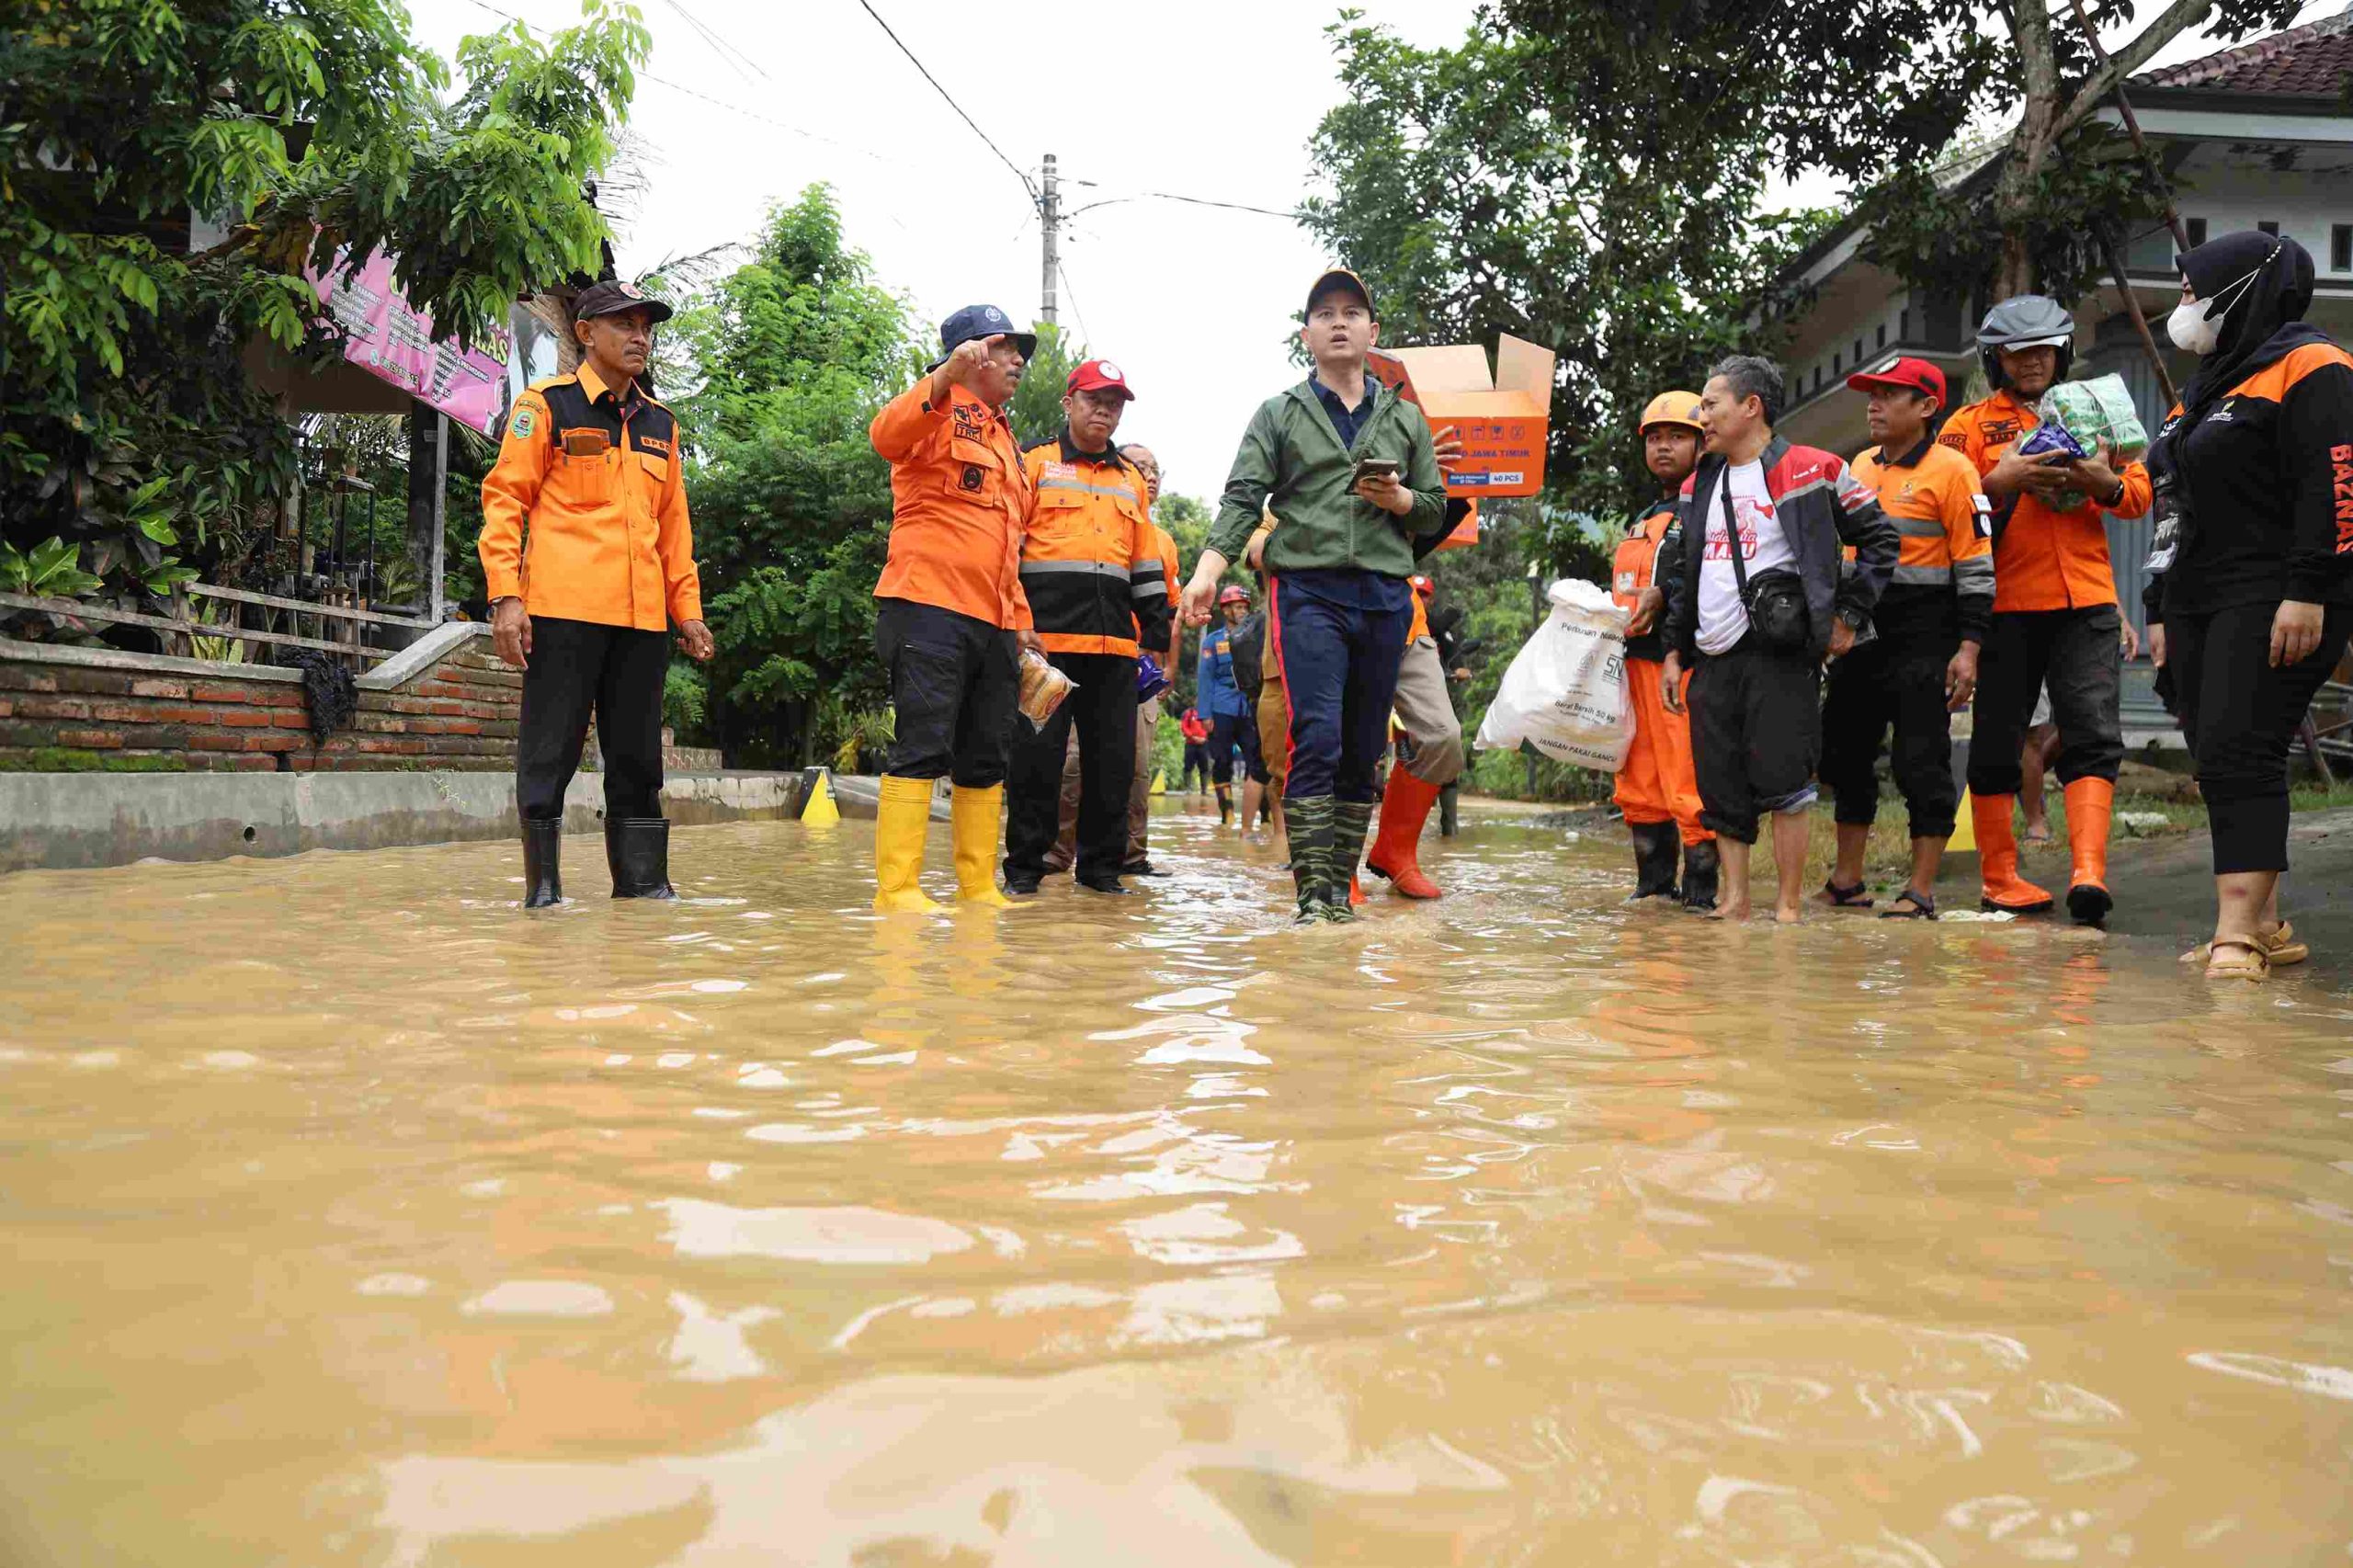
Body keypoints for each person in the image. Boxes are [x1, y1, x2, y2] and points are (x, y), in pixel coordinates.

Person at [1184, 267, 1450, 922]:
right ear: (1307, 334)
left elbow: (1436, 510)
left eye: (1352, 313)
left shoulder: (1406, 419)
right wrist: (1207, 570)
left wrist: (1402, 498)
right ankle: (1313, 899)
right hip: (1309, 592)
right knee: (1318, 736)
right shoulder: (1280, 413)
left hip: (1386, 596)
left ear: (1373, 332)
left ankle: (1343, 892)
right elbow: (1243, 498)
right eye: (1325, 313)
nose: (1339, 322)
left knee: (1364, 746)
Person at [2143, 229, 2353, 979]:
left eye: (2195, 291)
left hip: (2274, 592)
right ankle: (2267, 924)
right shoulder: (2203, 391)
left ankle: (2235, 933)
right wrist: (2158, 605)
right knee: (2216, 754)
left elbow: (2336, 484)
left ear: (2243, 289)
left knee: (2242, 748)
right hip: (2196, 593)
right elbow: (2172, 505)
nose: (2185, 306)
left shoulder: (2314, 366)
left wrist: (2310, 588)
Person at [480, 278, 714, 908]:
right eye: (625, 324)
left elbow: (675, 529)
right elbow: (505, 500)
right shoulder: (547, 405)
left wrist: (686, 611)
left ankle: (642, 887)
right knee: (548, 755)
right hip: (563, 612)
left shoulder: (661, 424)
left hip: (642, 622)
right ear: (585, 333)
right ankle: (545, 892)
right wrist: (506, 595)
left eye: (647, 326)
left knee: (638, 762)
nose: (641, 336)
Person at [1659, 355, 1898, 923]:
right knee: (1720, 782)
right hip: (1711, 652)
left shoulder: (1815, 469)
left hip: (1781, 652)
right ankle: (1736, 900)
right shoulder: (1698, 485)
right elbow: (1680, 573)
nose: (1702, 416)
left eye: (1711, 404)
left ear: (1751, 407)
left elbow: (1882, 538)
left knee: (1786, 777)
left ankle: (1788, 907)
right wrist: (1673, 649)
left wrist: (1847, 617)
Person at [1941, 295, 2153, 923]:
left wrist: (2102, 482)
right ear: (1996, 357)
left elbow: (2139, 493)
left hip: (2087, 600)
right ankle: (1999, 876)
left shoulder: (2098, 408)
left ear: (2061, 352)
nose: (2031, 362)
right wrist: (1996, 484)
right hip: (2004, 604)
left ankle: (2088, 875)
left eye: (2042, 350)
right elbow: (1945, 506)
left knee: (2093, 735)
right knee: (1998, 741)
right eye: (2017, 352)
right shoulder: (1969, 426)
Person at [865, 304, 1041, 912]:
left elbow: (1008, 544)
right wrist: (942, 379)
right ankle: (899, 890)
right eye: (1008, 347)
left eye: (1023, 350)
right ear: (972, 354)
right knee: (922, 745)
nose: (1019, 360)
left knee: (988, 752)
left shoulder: (1007, 443)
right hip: (926, 606)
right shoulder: (932, 409)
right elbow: (885, 435)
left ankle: (976, 885)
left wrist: (1022, 629)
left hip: (992, 620)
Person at [1818, 357, 1995, 919]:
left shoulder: (1954, 470)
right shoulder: (1858, 466)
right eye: (1872, 394)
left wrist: (1969, 648)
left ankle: (1920, 889)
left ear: (1925, 407)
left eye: (1890, 395)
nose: (1874, 404)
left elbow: (1975, 568)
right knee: (1846, 753)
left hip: (1926, 632)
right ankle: (1846, 882)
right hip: (1862, 631)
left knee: (1921, 759)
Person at [1000, 359, 1167, 897]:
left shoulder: (1130, 480)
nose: (1105, 409)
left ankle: (1100, 873)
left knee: (1112, 766)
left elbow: (1144, 563)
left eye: (1115, 402)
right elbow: (1008, 549)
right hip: (1045, 648)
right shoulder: (1034, 464)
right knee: (1036, 762)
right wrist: (1017, 624)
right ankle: (1024, 871)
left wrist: (1158, 639)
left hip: (1115, 646)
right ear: (1069, 403)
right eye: (1095, 398)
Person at [1611, 390, 1717, 909]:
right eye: (1655, 438)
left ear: (1702, 443)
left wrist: (1668, 594)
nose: (1663, 447)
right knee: (1640, 784)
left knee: (1688, 782)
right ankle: (1653, 890)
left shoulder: (1712, 506)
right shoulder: (1649, 513)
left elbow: (1706, 578)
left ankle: (1702, 896)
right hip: (1634, 668)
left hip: (1683, 667)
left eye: (1677, 436)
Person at [1363, 572, 1466, 898]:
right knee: (1347, 746)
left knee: (1444, 739)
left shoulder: (1443, 632)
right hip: (1342, 610)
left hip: (1407, 625)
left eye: (1427, 595)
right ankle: (1336, 870)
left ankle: (1396, 852)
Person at [1197, 585, 1265, 828]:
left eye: (1245, 607)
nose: (1242, 611)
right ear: (1225, 610)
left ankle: (1263, 815)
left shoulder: (1258, 636)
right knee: (1222, 760)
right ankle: (1227, 814)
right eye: (1236, 606)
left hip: (1251, 707)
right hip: (1221, 708)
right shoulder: (1214, 642)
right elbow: (1205, 678)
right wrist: (1204, 714)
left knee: (1257, 759)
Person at [1178, 707, 1211, 794]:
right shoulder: (1189, 713)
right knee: (1188, 766)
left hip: (1204, 744)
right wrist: (1192, 736)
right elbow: (1183, 726)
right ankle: (1188, 788)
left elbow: (1212, 727)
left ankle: (1204, 790)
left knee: (1204, 767)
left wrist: (1205, 738)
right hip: (1190, 743)